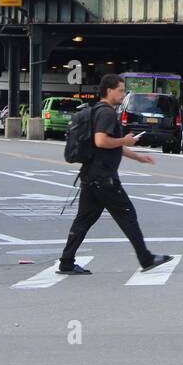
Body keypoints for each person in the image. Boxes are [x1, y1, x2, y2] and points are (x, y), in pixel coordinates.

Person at [57, 74, 173, 275]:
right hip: (104, 178)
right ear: (109, 91)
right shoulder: (107, 113)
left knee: (83, 220)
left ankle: (67, 262)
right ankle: (145, 258)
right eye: (120, 90)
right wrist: (124, 141)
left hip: (91, 176)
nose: (123, 94)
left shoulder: (95, 111)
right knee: (127, 214)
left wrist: (137, 157)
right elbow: (101, 141)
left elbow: (108, 145)